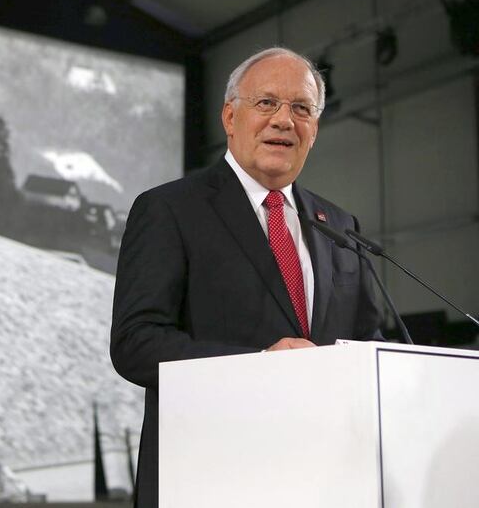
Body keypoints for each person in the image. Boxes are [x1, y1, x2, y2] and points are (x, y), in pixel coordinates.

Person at [110, 47, 383, 508]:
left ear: (314, 129)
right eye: (266, 103)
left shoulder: (339, 225)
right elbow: (136, 343)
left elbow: (368, 340)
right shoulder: (170, 209)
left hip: (325, 481)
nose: (284, 120)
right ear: (230, 117)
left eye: (302, 108)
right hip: (209, 476)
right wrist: (258, 364)